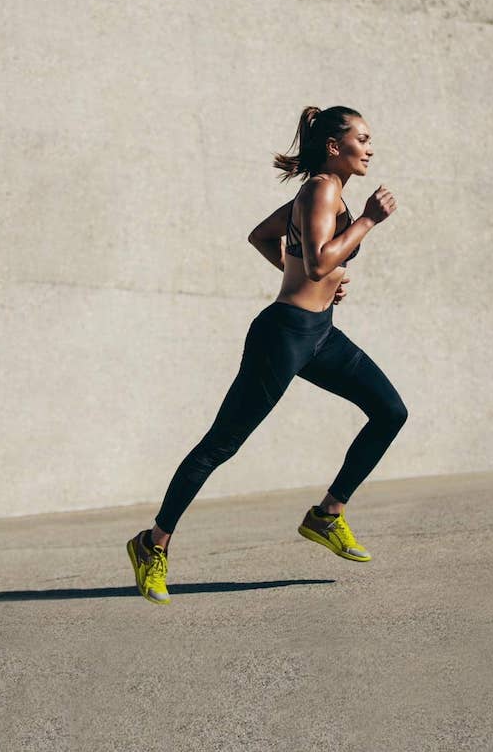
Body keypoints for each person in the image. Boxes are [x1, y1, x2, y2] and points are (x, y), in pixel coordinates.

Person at [127, 105, 407, 604]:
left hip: (320, 334)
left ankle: (327, 515)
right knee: (221, 444)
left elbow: (266, 238)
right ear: (334, 146)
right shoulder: (321, 190)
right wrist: (367, 221)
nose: (370, 148)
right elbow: (318, 262)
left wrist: (314, 276)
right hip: (283, 337)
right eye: (362, 139)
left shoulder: (328, 193)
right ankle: (153, 544)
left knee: (390, 411)